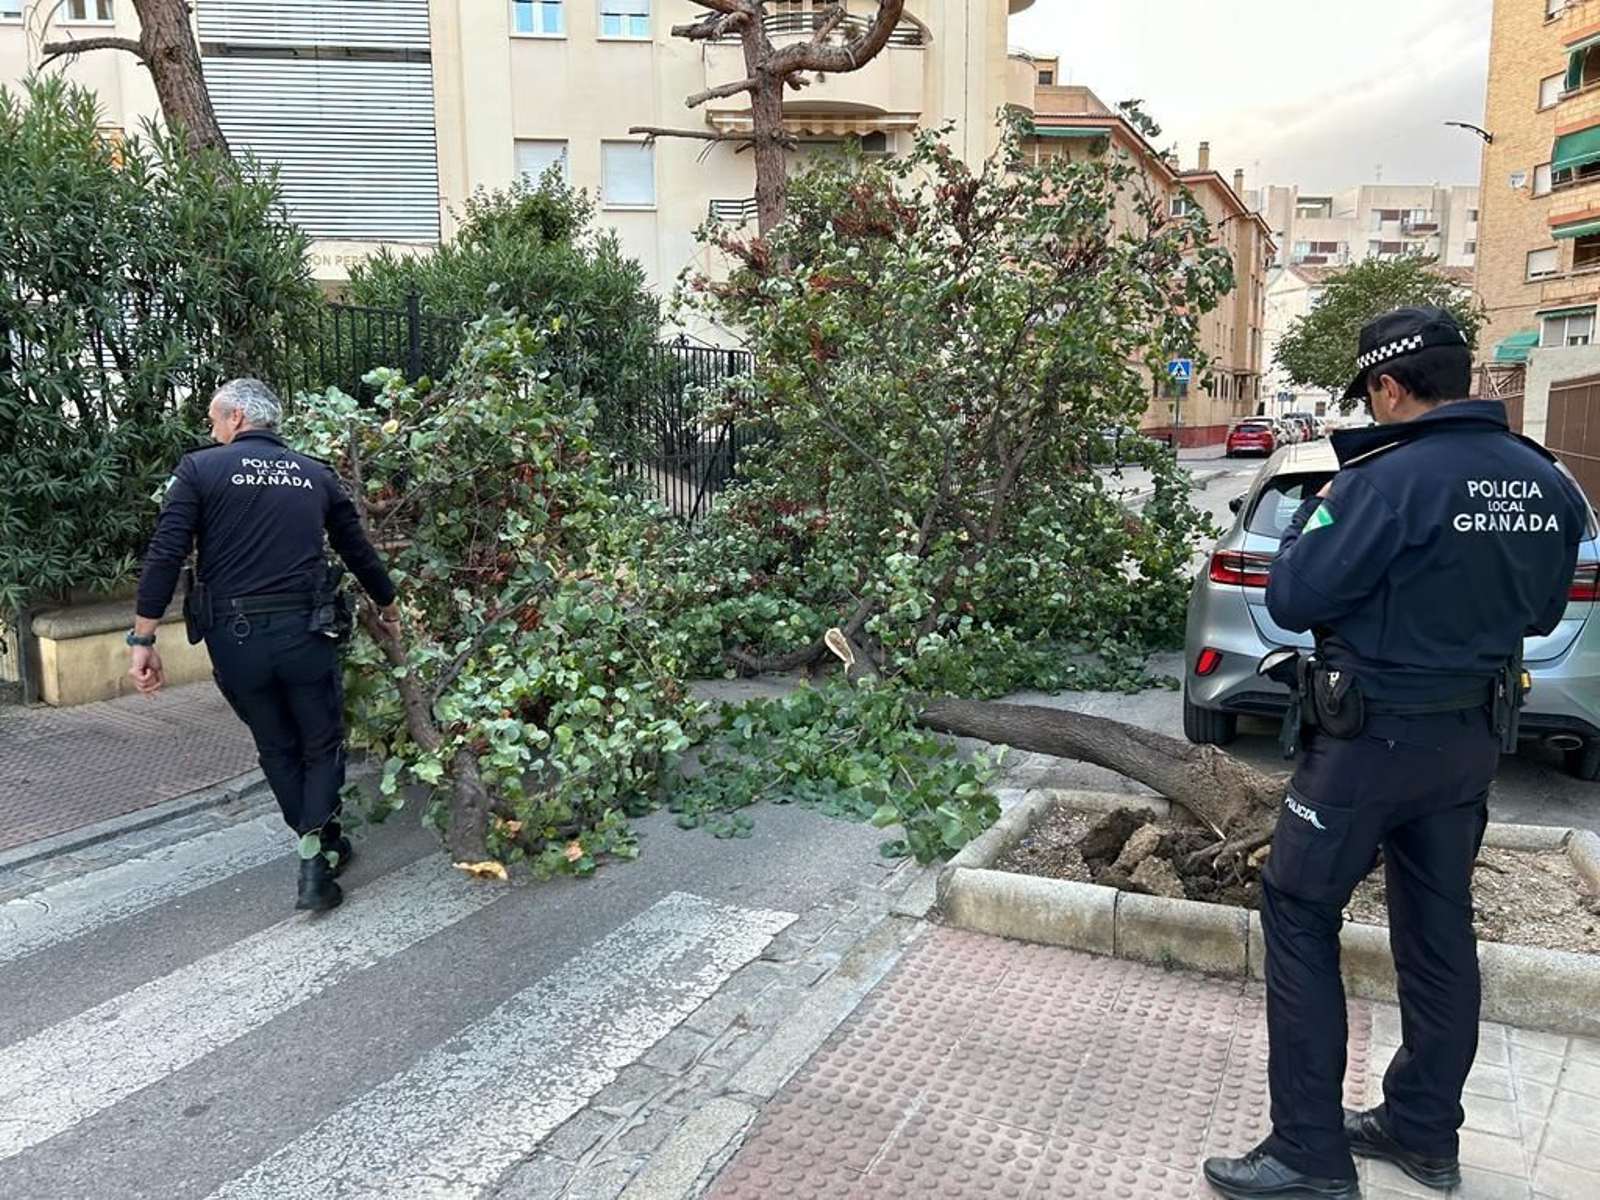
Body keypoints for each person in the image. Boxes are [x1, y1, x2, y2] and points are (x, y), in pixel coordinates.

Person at [1202, 307, 1586, 1200]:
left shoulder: (1381, 479)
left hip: (1370, 739)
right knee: (1438, 929)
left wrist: (1312, 527)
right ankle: (1422, 1132)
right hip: (1472, 740)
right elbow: (1539, 613)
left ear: (1386, 386)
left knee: (1298, 910)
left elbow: (1296, 596)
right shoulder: (1544, 479)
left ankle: (1306, 1154)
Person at [127, 378, 401, 912]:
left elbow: (164, 555)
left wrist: (143, 637)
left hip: (235, 639)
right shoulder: (315, 474)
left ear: (234, 418)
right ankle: (316, 859)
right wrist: (388, 608)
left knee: (277, 747)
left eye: (212, 419)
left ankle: (317, 846)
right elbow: (359, 552)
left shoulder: (199, 470)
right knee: (322, 747)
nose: (211, 429)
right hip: (305, 634)